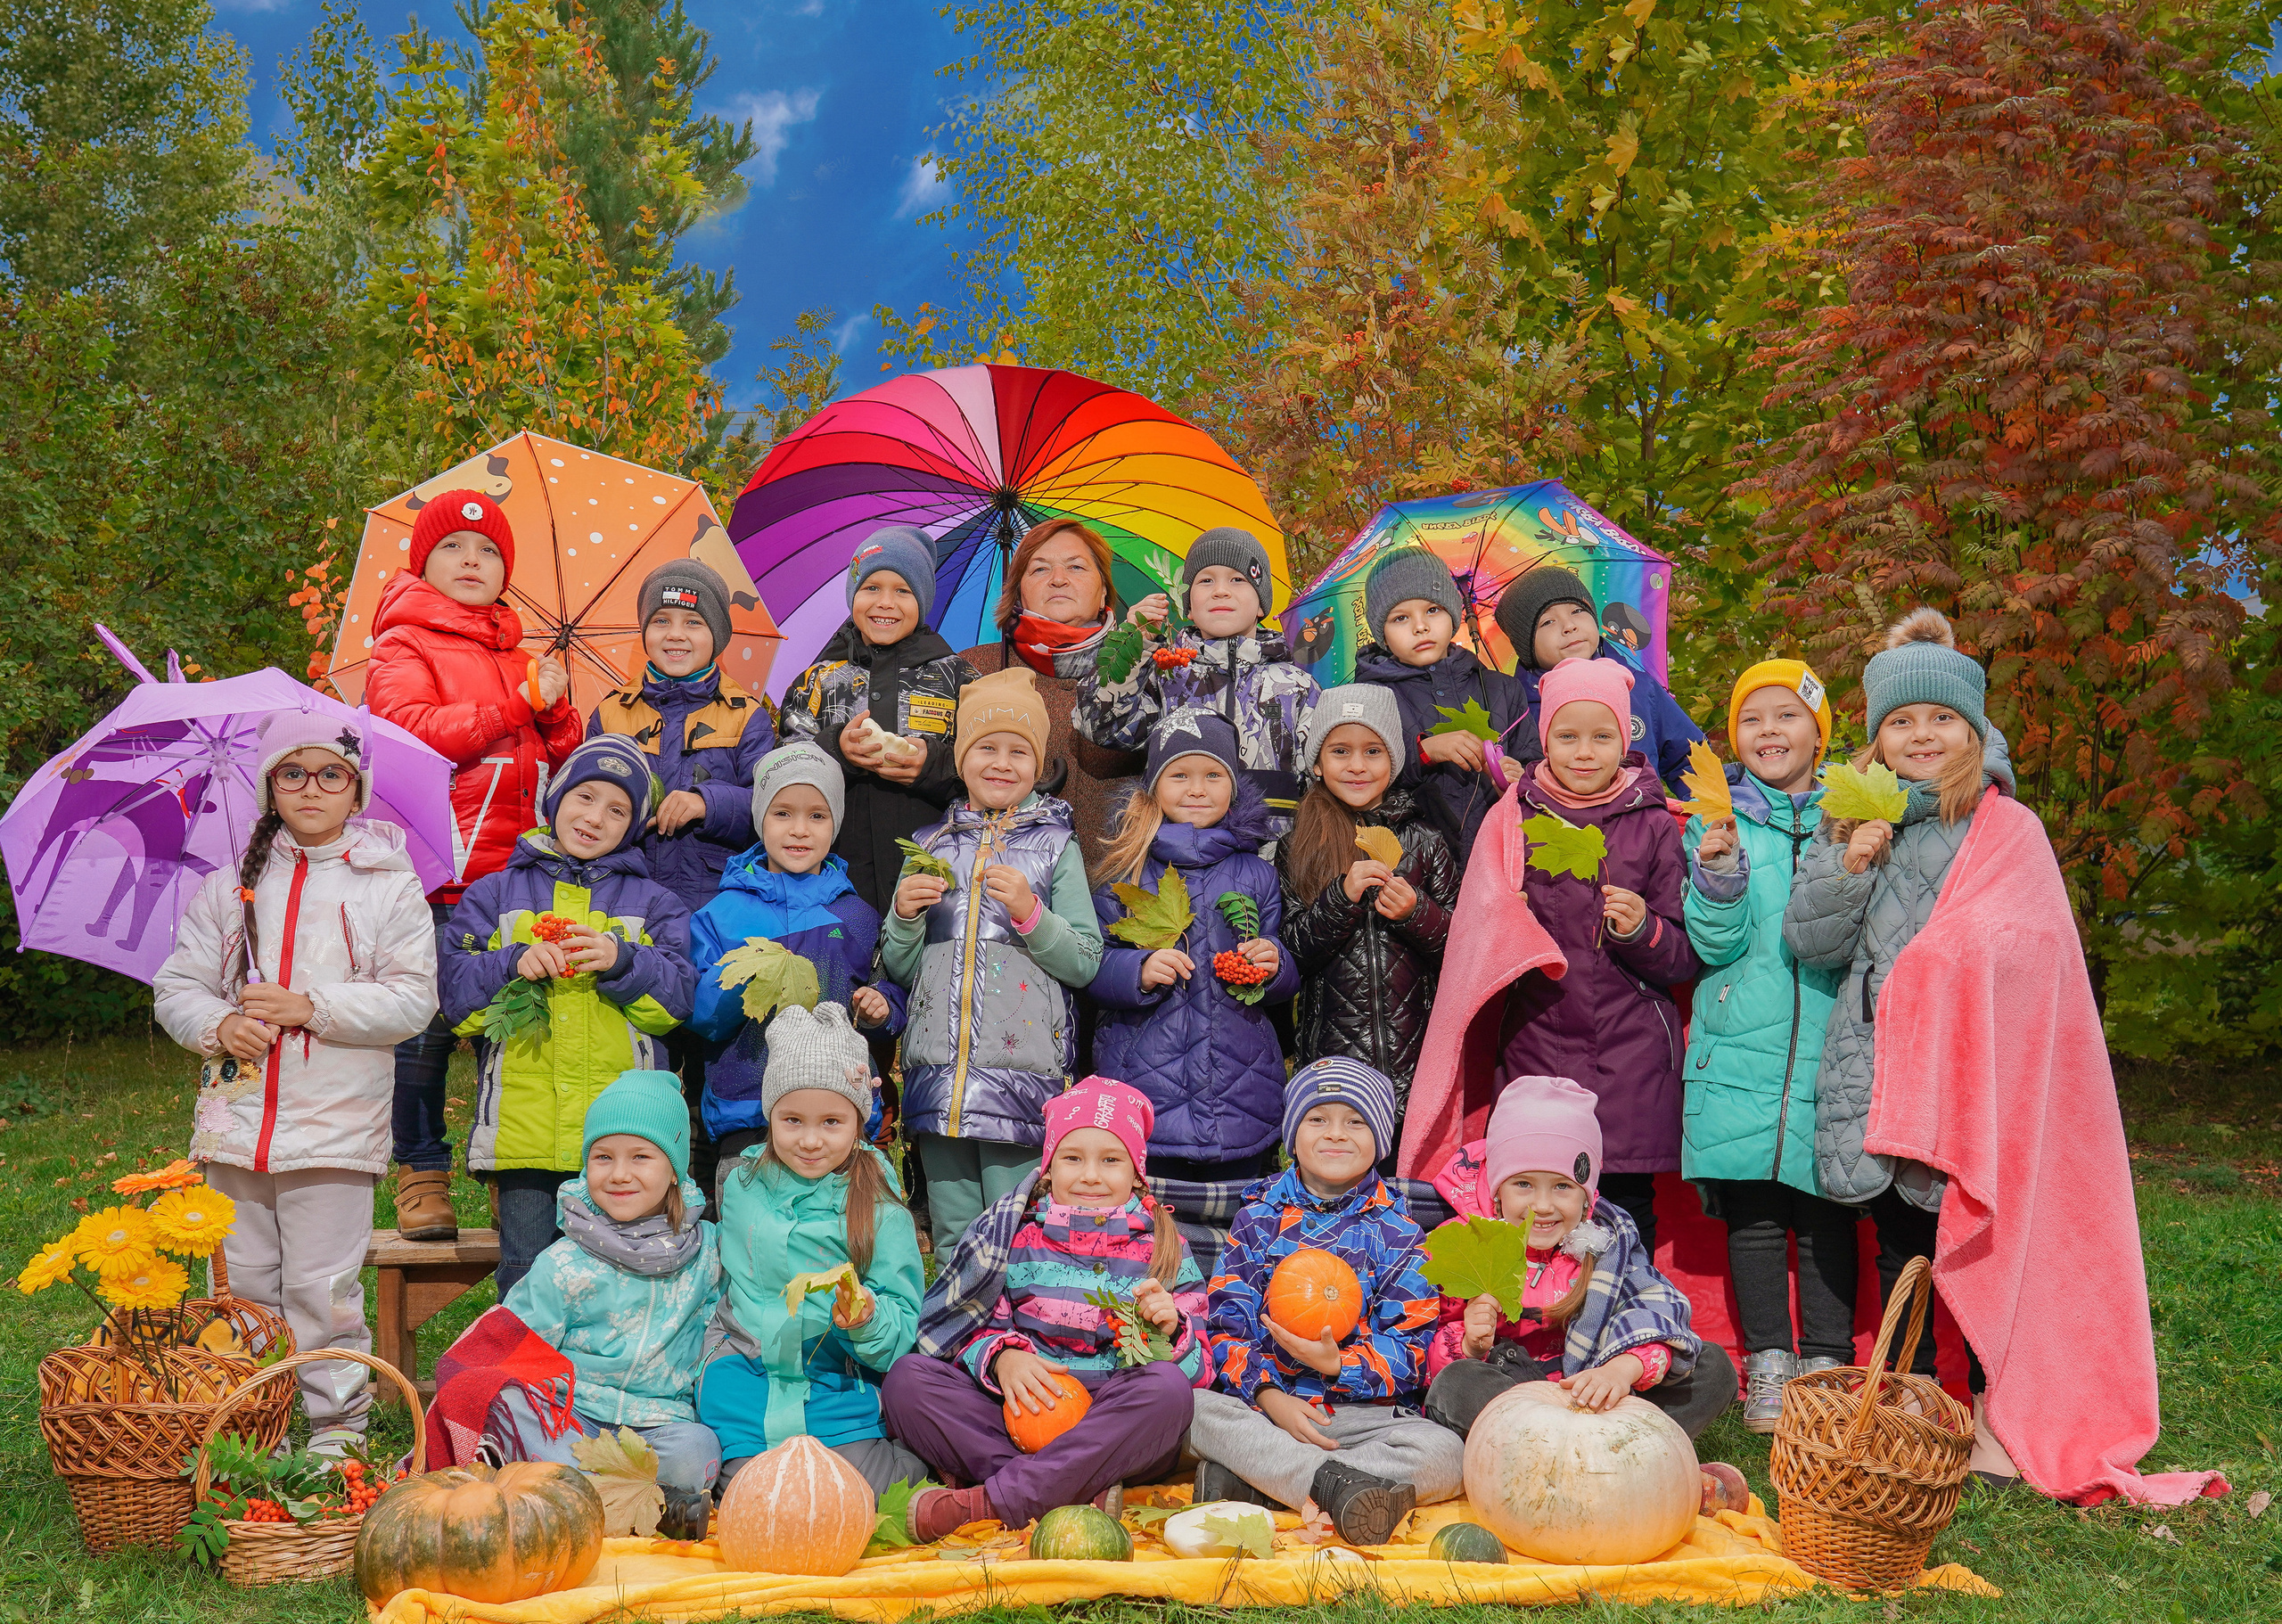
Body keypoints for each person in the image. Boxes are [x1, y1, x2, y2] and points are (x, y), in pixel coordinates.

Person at [152, 710, 438, 1454]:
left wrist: (312, 1006)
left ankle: (332, 1433)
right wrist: (220, 1026)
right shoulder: (228, 890)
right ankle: (257, 1425)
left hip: (334, 1129)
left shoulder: (388, 888)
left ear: (356, 790)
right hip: (236, 1126)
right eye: (292, 773)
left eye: (331, 774)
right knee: (242, 1285)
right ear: (270, 787)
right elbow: (178, 985)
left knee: (320, 1290)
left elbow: (413, 1000)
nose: (311, 788)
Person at [1782, 608, 2020, 1480]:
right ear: (1876, 736)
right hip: (1878, 1057)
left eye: (1940, 719)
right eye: (1900, 721)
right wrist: (1851, 865)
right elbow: (1809, 943)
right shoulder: (1850, 812)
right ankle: (1915, 1402)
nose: (1921, 735)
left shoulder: (1996, 816)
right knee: (1897, 1235)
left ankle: (1998, 1410)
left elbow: (2022, 937)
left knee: (1980, 1236)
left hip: (1967, 1059)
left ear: (1972, 727)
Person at [365, 489, 581, 1243]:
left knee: (509, 1028)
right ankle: (421, 1169)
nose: (472, 560)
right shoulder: (404, 646)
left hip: (514, 876)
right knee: (423, 1032)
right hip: (438, 870)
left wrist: (554, 711)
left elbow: (566, 763)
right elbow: (408, 730)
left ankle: (505, 1164)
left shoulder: (520, 656)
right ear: (423, 562)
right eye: (454, 547)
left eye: (489, 551)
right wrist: (517, 707)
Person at [881, 1077, 1205, 1540]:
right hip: (1022, 1411)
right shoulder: (1013, 1236)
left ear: (1136, 1173)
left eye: (1110, 1160)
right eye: (1073, 1158)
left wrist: (1171, 1332)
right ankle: (1070, 1489)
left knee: (1168, 1391)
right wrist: (1003, 1356)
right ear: (1049, 1168)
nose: (1091, 1174)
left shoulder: (1162, 1247)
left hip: (1108, 1421)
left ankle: (988, 1504)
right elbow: (969, 1330)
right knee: (908, 1382)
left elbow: (1201, 1372)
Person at [438, 734, 696, 1293]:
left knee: (617, 1276)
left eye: (617, 809)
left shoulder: (655, 903)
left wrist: (622, 961)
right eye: (584, 797)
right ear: (555, 800)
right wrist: (513, 963)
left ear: (633, 827)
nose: (595, 817)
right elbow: (457, 1003)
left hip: (620, 1143)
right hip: (525, 1136)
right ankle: (524, 1380)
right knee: (529, 1277)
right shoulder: (493, 895)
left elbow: (674, 1006)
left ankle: (604, 1378)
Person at [1474, 656, 1698, 1254]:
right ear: (1545, 738)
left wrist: (1640, 928)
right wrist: (1505, 925)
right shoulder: (1513, 817)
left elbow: (1681, 957)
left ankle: (1630, 1320)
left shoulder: (1653, 824)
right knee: (1538, 1202)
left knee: (1625, 1206)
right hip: (1536, 1048)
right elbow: (1476, 948)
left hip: (1631, 1059)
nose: (1584, 751)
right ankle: (1544, 1329)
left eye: (1602, 737)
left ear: (1624, 740)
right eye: (1567, 736)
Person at [1681, 660, 1855, 1431]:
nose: (1769, 732)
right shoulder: (1717, 818)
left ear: (1819, 732)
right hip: (1739, 1040)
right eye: (1752, 719)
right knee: (1751, 1214)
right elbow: (1714, 945)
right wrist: (1716, 873)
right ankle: (1769, 1367)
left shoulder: (1849, 817)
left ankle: (1826, 1361)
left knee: (1825, 1207)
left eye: (1787, 716)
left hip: (1829, 1039)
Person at [1190, 1061, 1462, 1546]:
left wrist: (1341, 1364)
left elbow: (1410, 1350)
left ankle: (1273, 1487)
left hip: (1358, 1417)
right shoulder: (1257, 1220)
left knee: (1446, 1452)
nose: (1336, 1134)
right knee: (1190, 1409)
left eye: (1355, 1121)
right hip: (1267, 1412)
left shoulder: (1401, 1235)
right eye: (1318, 1119)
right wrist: (1273, 1399)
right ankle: (1336, 1488)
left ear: (1380, 1140)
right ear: (1293, 1136)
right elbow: (1227, 1328)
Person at [881, 666, 1104, 1248]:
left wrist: (1032, 914)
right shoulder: (929, 847)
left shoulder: (1056, 846)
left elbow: (1084, 960)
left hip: (1022, 1085)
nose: (1001, 763)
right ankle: (958, 1339)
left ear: (1038, 764)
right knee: (956, 1235)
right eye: (986, 748)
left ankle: (1016, 1335)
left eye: (1018, 751)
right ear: (961, 759)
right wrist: (904, 917)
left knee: (1018, 1235)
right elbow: (902, 971)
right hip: (938, 1083)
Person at [587, 557, 777, 1196]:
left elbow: (772, 805)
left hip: (716, 911)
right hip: (630, 913)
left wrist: (707, 802)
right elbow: (582, 802)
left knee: (713, 1059)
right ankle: (645, 1198)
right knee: (648, 1064)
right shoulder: (610, 714)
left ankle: (710, 1198)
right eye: (661, 620)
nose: (675, 634)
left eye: (692, 622)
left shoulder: (747, 715)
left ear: (717, 637)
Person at [1420, 1077, 1736, 1442]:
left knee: (1712, 1366)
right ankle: (1600, 1457)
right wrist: (1468, 1344)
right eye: (1523, 1184)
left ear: (1586, 1196)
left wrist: (1621, 1369)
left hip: (1598, 1395)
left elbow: (1654, 1310)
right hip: (1516, 1402)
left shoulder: (1606, 1243)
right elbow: (1422, 1352)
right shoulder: (1465, 1243)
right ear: (1497, 1189)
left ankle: (1606, 1452)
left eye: (1562, 1186)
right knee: (1458, 1383)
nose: (1542, 1205)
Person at [695, 1004, 929, 1496]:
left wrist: (868, 1319)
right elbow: (726, 1281)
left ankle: (922, 1469)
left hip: (834, 1377)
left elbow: (904, 1313)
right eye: (792, 1120)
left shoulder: (878, 1205)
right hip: (749, 1374)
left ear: (858, 1121)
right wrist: (714, 1354)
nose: (809, 1140)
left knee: (856, 1489)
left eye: (831, 1122)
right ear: (770, 1115)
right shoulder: (741, 1185)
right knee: (748, 1487)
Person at [488, 1070, 724, 1538]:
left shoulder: (706, 1254)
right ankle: (643, 1507)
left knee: (697, 1450)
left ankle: (580, 1500)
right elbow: (513, 1343)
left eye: (641, 1156)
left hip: (659, 1421)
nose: (619, 1174)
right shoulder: (566, 1261)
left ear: (674, 1168)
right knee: (510, 1406)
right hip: (575, 1417)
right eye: (602, 1157)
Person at [1088, 709, 1296, 1198]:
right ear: (1154, 787)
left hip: (1239, 1088)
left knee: (1240, 1227)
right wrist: (1137, 970)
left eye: (1213, 776)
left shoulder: (1256, 873)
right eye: (1179, 775)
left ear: (1235, 786)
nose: (1197, 789)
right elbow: (1092, 966)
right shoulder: (1127, 870)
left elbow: (1279, 977)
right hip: (1146, 1083)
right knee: (1155, 1232)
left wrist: (1274, 966)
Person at [686, 744, 904, 1202]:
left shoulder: (857, 915)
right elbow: (701, 1017)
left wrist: (881, 1008)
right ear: (760, 819)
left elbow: (887, 995)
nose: (799, 830)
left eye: (817, 816)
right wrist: (742, 977)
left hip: (836, 1114)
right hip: (747, 1111)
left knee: (836, 1244)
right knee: (748, 1245)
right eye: (783, 813)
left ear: (835, 824)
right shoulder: (722, 913)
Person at [1277, 685, 1457, 1144]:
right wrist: (1341, 898)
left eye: (1373, 751)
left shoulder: (1425, 842)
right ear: (1318, 762)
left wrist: (1417, 912)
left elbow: (1462, 948)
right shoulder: (1299, 844)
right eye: (1340, 751)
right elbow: (1292, 950)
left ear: (1393, 761)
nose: (1357, 766)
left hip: (1416, 1057)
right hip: (1334, 1061)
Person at [1073, 526, 1318, 843]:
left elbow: (1317, 783)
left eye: (1238, 580)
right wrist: (1133, 644)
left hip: (1272, 863)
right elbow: (1099, 725)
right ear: (1188, 605)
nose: (1220, 591)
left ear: (1261, 605)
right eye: (1206, 580)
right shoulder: (1165, 674)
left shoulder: (1297, 686)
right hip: (1176, 860)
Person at [778, 526, 976, 915]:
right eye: (871, 588)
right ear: (853, 594)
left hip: (937, 880)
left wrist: (931, 765)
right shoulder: (817, 679)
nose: (885, 602)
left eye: (902, 591)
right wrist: (836, 749)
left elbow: (986, 767)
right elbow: (783, 769)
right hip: (835, 882)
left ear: (922, 599)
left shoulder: (959, 679)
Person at [956, 518, 1143, 872]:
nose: (1058, 579)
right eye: (1039, 569)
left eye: (1076, 566)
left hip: (1122, 885)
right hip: (997, 887)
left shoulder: (1142, 665)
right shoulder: (972, 668)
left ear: (1104, 589)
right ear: (1018, 591)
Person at [1350, 548, 1525, 858]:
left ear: (1453, 614)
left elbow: (1538, 766)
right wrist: (1424, 753)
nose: (1420, 626)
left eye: (1432, 610)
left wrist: (1519, 777)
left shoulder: (1502, 689)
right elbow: (1356, 776)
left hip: (1499, 855)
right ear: (1382, 634)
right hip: (1412, 866)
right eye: (1401, 617)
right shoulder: (1367, 699)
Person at [1493, 565, 1703, 798]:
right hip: (1560, 830)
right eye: (1547, 622)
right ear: (1525, 646)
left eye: (1577, 611)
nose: (1569, 626)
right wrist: (1509, 782)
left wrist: (1703, 814)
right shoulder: (1515, 710)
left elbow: (1691, 759)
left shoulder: (1639, 689)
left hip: (1642, 826)